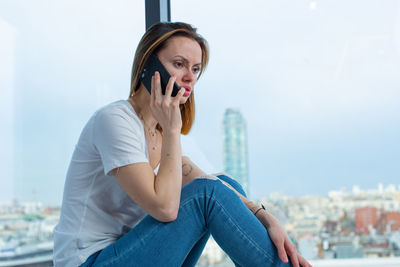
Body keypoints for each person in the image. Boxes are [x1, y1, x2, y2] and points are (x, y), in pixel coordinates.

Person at [53, 22, 311, 267]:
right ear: (149, 64)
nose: (190, 78)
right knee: (206, 194)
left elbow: (216, 182)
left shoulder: (162, 132)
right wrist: (173, 128)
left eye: (196, 69)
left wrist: (266, 217)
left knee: (225, 185)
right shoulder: (115, 120)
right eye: (179, 64)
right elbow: (166, 208)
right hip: (90, 261)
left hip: (129, 253)